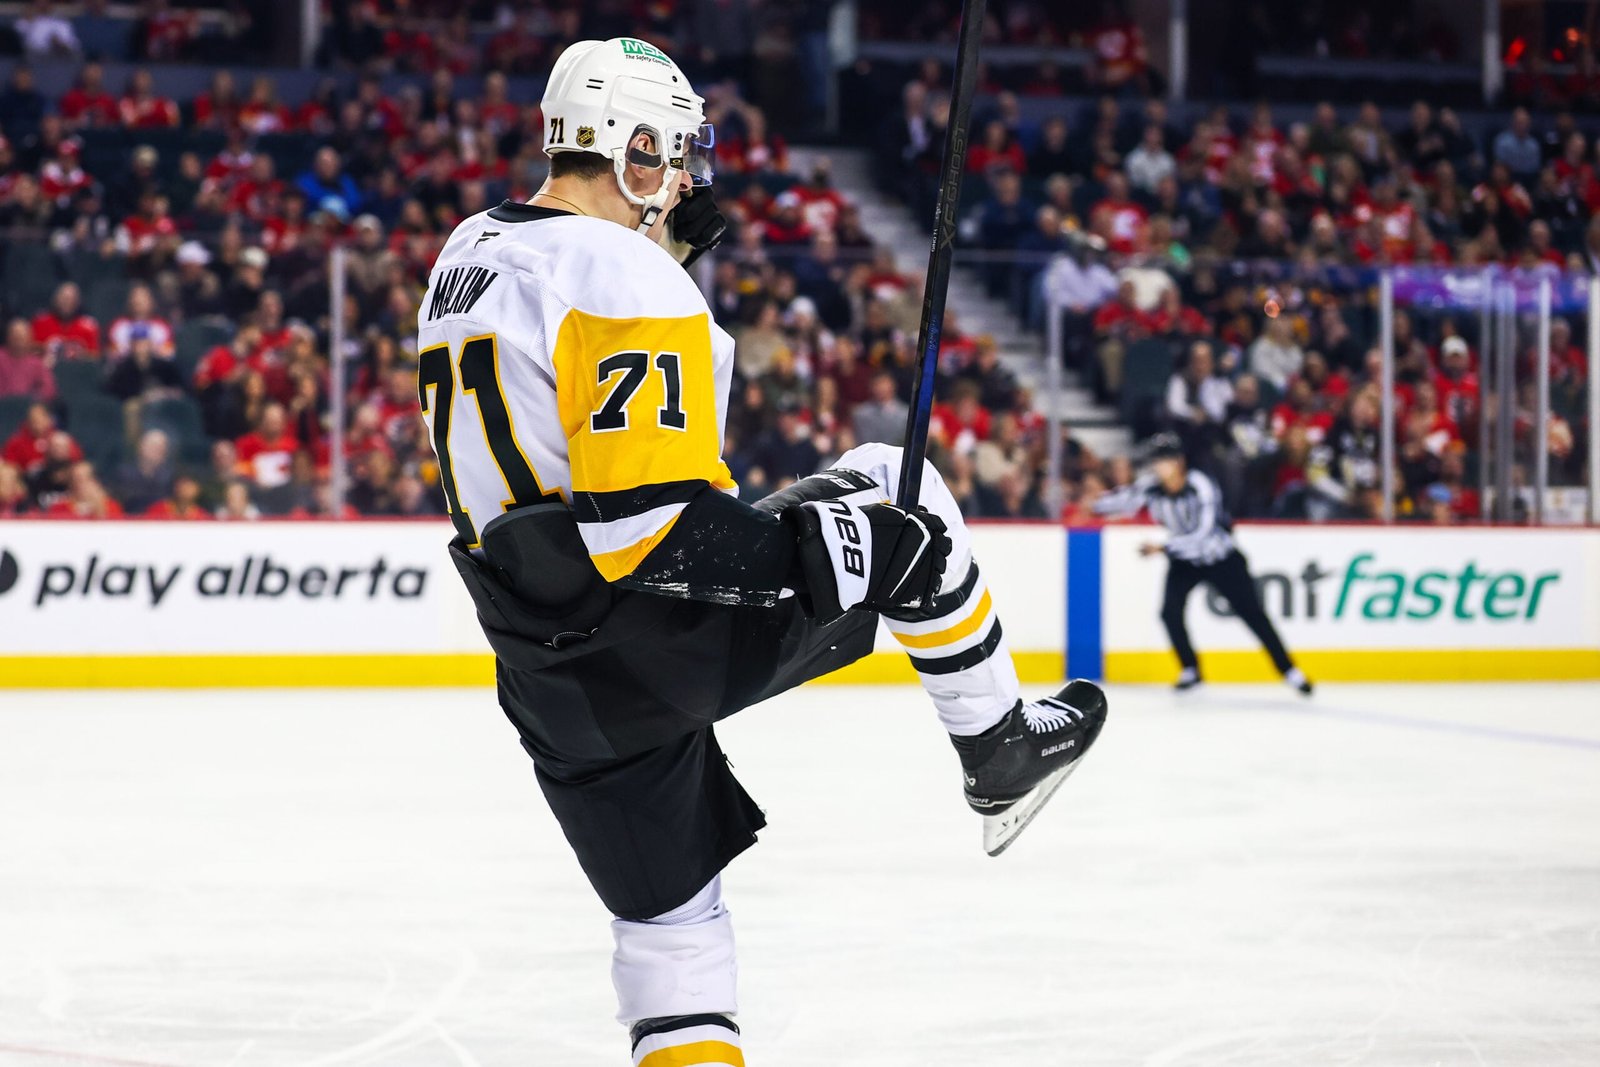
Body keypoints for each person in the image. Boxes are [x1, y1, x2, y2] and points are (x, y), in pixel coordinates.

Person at [415, 38, 1108, 1066]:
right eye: (674, 155)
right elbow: (648, 530)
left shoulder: (469, 250)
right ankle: (998, 744)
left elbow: (558, 395)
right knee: (894, 489)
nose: (685, 178)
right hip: (654, 631)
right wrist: (827, 552)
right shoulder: (620, 272)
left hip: (549, 672)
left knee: (671, 935)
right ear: (632, 149)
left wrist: (661, 256)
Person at [1094, 433, 1312, 695]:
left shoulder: (1201, 485)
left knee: (1252, 613)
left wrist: (1163, 547)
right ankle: (1191, 669)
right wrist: (1092, 503)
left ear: (1179, 462)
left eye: (1165, 460)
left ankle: (1289, 670)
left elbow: (1203, 533)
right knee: (1170, 613)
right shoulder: (1150, 486)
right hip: (1185, 560)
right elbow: (1125, 499)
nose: (1159, 467)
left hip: (1220, 558)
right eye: (1156, 461)